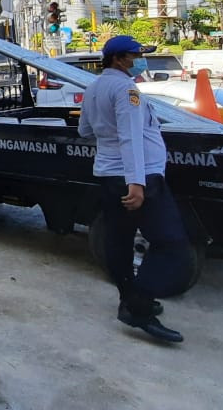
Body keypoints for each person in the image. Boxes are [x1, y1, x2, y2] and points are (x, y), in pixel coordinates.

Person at [78, 35, 187, 344]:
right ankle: (137, 305)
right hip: (140, 180)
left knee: (119, 241)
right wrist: (136, 183)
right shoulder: (126, 89)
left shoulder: (94, 87)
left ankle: (130, 299)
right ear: (118, 59)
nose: (140, 59)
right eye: (135, 55)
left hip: (110, 175)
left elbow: (85, 130)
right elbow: (130, 137)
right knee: (171, 243)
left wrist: (107, 140)